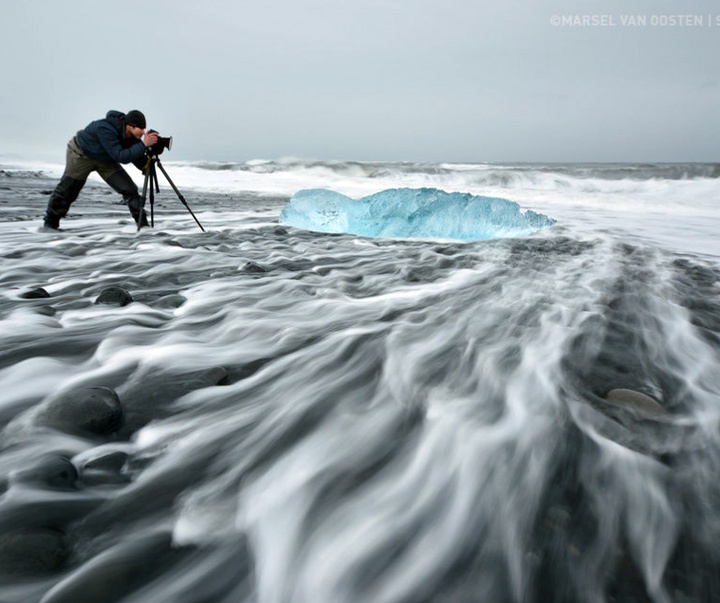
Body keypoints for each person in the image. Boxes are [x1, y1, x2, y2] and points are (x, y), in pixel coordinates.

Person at [42, 110, 159, 230]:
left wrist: (151, 155)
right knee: (68, 190)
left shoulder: (133, 137)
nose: (143, 132)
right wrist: (143, 145)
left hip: (105, 159)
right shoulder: (105, 129)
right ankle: (50, 226)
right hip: (81, 154)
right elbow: (121, 157)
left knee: (130, 189)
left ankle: (144, 227)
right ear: (130, 126)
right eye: (141, 128)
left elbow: (138, 160)